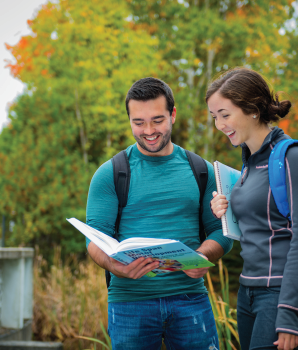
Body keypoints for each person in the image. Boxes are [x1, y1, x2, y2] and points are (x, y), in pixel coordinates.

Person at [85, 77, 233, 350]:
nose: (149, 130)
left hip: (191, 300)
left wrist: (204, 255)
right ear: (128, 119)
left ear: (173, 115)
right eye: (138, 122)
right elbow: (94, 238)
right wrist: (114, 265)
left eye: (157, 120)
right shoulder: (110, 173)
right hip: (129, 303)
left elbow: (221, 231)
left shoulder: (201, 170)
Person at [207, 68, 298, 350]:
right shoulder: (248, 164)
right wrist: (226, 209)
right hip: (247, 292)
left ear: (253, 110)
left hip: (280, 293)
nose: (219, 124)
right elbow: (262, 223)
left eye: (225, 114)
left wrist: (290, 311)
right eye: (214, 116)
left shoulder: (292, 155)